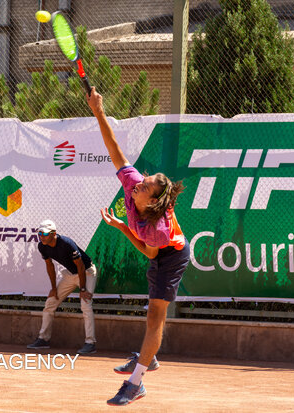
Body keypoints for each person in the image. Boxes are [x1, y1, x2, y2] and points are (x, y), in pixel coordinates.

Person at [87, 88, 190, 406]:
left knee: (156, 318)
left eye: (145, 186)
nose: (138, 183)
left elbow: (149, 253)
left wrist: (121, 228)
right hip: (158, 252)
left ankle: (136, 383)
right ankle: (149, 356)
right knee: (151, 322)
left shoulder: (157, 230)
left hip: (171, 257)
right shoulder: (132, 185)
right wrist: (98, 111)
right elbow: (114, 148)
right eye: (142, 180)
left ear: (153, 201)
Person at [27, 219, 98, 355]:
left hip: (86, 273)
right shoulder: (42, 246)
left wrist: (82, 289)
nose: (42, 236)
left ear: (54, 233)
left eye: (45, 234)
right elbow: (50, 265)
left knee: (85, 305)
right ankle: (43, 339)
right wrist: (53, 288)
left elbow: (81, 266)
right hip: (70, 275)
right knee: (50, 302)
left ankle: (90, 343)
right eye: (40, 233)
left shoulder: (67, 243)